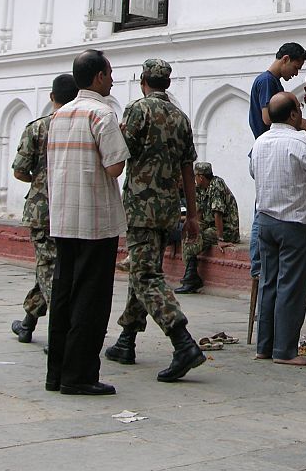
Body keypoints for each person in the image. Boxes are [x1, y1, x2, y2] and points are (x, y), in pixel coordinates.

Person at [103, 59, 205, 382]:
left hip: (140, 208)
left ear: (143, 80)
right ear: (168, 83)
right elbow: (189, 170)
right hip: (168, 209)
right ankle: (127, 339)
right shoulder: (181, 117)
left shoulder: (138, 110)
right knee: (143, 269)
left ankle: (182, 341)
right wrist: (193, 215)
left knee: (146, 274)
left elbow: (121, 152)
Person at [45, 50, 129, 396]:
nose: (111, 80)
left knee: (63, 294)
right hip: (95, 218)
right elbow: (114, 167)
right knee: (90, 300)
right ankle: (79, 374)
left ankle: (57, 373)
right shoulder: (101, 113)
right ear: (98, 77)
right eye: (108, 74)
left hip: (64, 216)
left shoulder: (59, 114)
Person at [250, 92, 306, 366]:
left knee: (269, 282)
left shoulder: (260, 142)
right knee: (291, 287)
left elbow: (252, 171)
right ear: (294, 114)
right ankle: (284, 350)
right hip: (295, 223)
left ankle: (265, 346)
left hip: (266, 221)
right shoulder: (300, 141)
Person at [9, 73, 79, 345]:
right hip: (72, 207)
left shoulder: (37, 128)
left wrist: (39, 179)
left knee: (49, 267)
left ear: (52, 97)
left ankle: (60, 332)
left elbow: (19, 171)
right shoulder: (83, 125)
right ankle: (28, 322)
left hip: (42, 209)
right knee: (53, 266)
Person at [248, 43, 306, 279]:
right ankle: (257, 264)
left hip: (268, 149)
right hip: (268, 150)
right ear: (285, 59)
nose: (295, 72)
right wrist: (298, 124)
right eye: (295, 66)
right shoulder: (267, 82)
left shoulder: (273, 83)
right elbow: (267, 116)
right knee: (262, 210)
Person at [174, 161, 240, 294]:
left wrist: (220, 238)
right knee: (189, 235)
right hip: (209, 225)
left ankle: (191, 279)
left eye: (195, 176)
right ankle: (191, 277)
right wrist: (195, 228)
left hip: (226, 228)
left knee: (200, 238)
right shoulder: (199, 188)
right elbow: (198, 211)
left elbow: (218, 213)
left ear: (201, 177)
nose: (194, 179)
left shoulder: (217, 185)